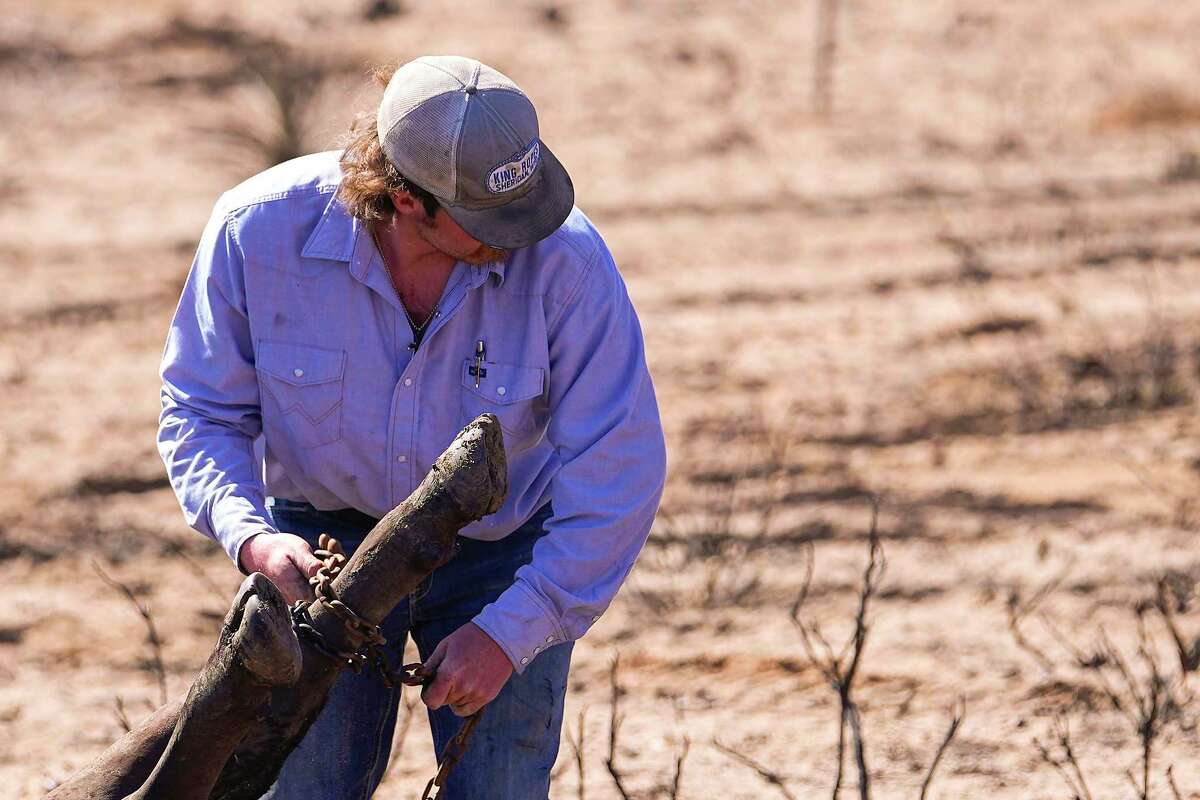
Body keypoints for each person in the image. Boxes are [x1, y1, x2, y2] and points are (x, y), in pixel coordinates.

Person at [156, 54, 667, 799]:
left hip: (502, 555)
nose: (521, 232)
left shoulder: (568, 264)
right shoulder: (255, 232)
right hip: (324, 549)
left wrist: (513, 630)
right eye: (489, 217)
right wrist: (254, 537)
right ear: (405, 198)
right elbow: (200, 410)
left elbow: (618, 466)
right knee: (310, 789)